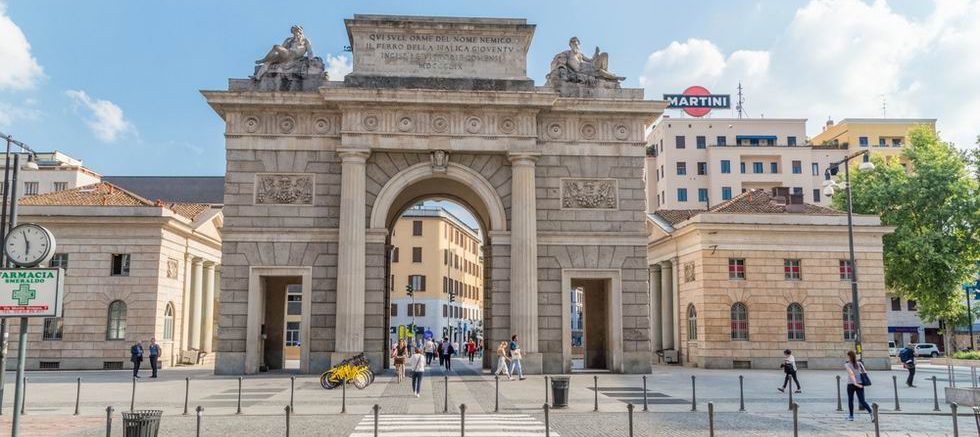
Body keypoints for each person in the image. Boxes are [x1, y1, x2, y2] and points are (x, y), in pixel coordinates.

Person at [845, 351, 874, 422]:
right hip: (860, 384)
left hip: (851, 384)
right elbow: (864, 372)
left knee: (850, 400)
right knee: (862, 401)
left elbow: (851, 374)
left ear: (849, 357)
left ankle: (851, 416)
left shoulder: (847, 364)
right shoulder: (859, 363)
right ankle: (871, 413)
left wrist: (855, 383)